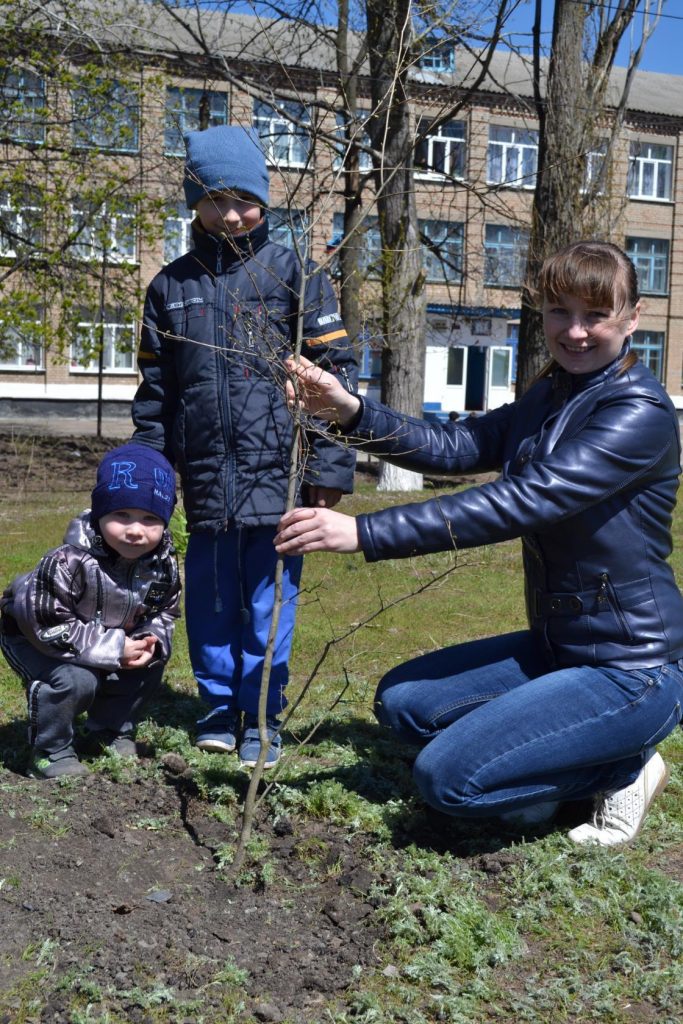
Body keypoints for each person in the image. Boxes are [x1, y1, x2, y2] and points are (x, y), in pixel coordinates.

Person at [275, 239, 683, 846]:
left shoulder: (638, 414)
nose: (574, 332)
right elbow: (458, 447)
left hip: (630, 667)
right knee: (405, 703)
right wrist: (352, 412)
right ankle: (557, 761)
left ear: (631, 317)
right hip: (556, 644)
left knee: (449, 780)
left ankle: (624, 767)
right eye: (558, 312)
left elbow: (521, 501)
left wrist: (363, 531)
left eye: (594, 315)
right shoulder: (551, 396)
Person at [132, 124, 357, 768]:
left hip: (279, 478)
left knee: (269, 604)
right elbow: (155, 394)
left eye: (243, 199)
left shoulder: (296, 277)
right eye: (213, 200)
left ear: (265, 199)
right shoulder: (169, 288)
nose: (230, 214)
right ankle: (215, 708)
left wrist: (329, 463)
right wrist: (153, 474)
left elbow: (332, 377)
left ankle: (260, 716)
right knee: (210, 600)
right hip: (203, 479)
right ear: (192, 204)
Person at [0, 443, 181, 779]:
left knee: (146, 665)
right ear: (100, 513)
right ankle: (50, 751)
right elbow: (47, 623)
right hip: (34, 636)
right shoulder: (68, 561)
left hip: (104, 636)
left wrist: (148, 639)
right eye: (121, 515)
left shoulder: (162, 566)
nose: (135, 529)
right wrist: (114, 647)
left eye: (150, 518)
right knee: (75, 679)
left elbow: (165, 610)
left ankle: (108, 730)